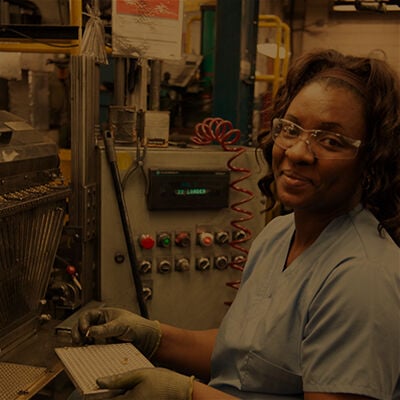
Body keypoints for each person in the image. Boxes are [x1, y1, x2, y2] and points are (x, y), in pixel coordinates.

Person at [71, 48, 400, 400]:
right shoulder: (278, 234)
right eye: (290, 129)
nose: (298, 152)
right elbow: (244, 355)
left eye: (331, 140)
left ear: (371, 161)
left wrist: (186, 395)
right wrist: (152, 336)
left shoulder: (363, 277)